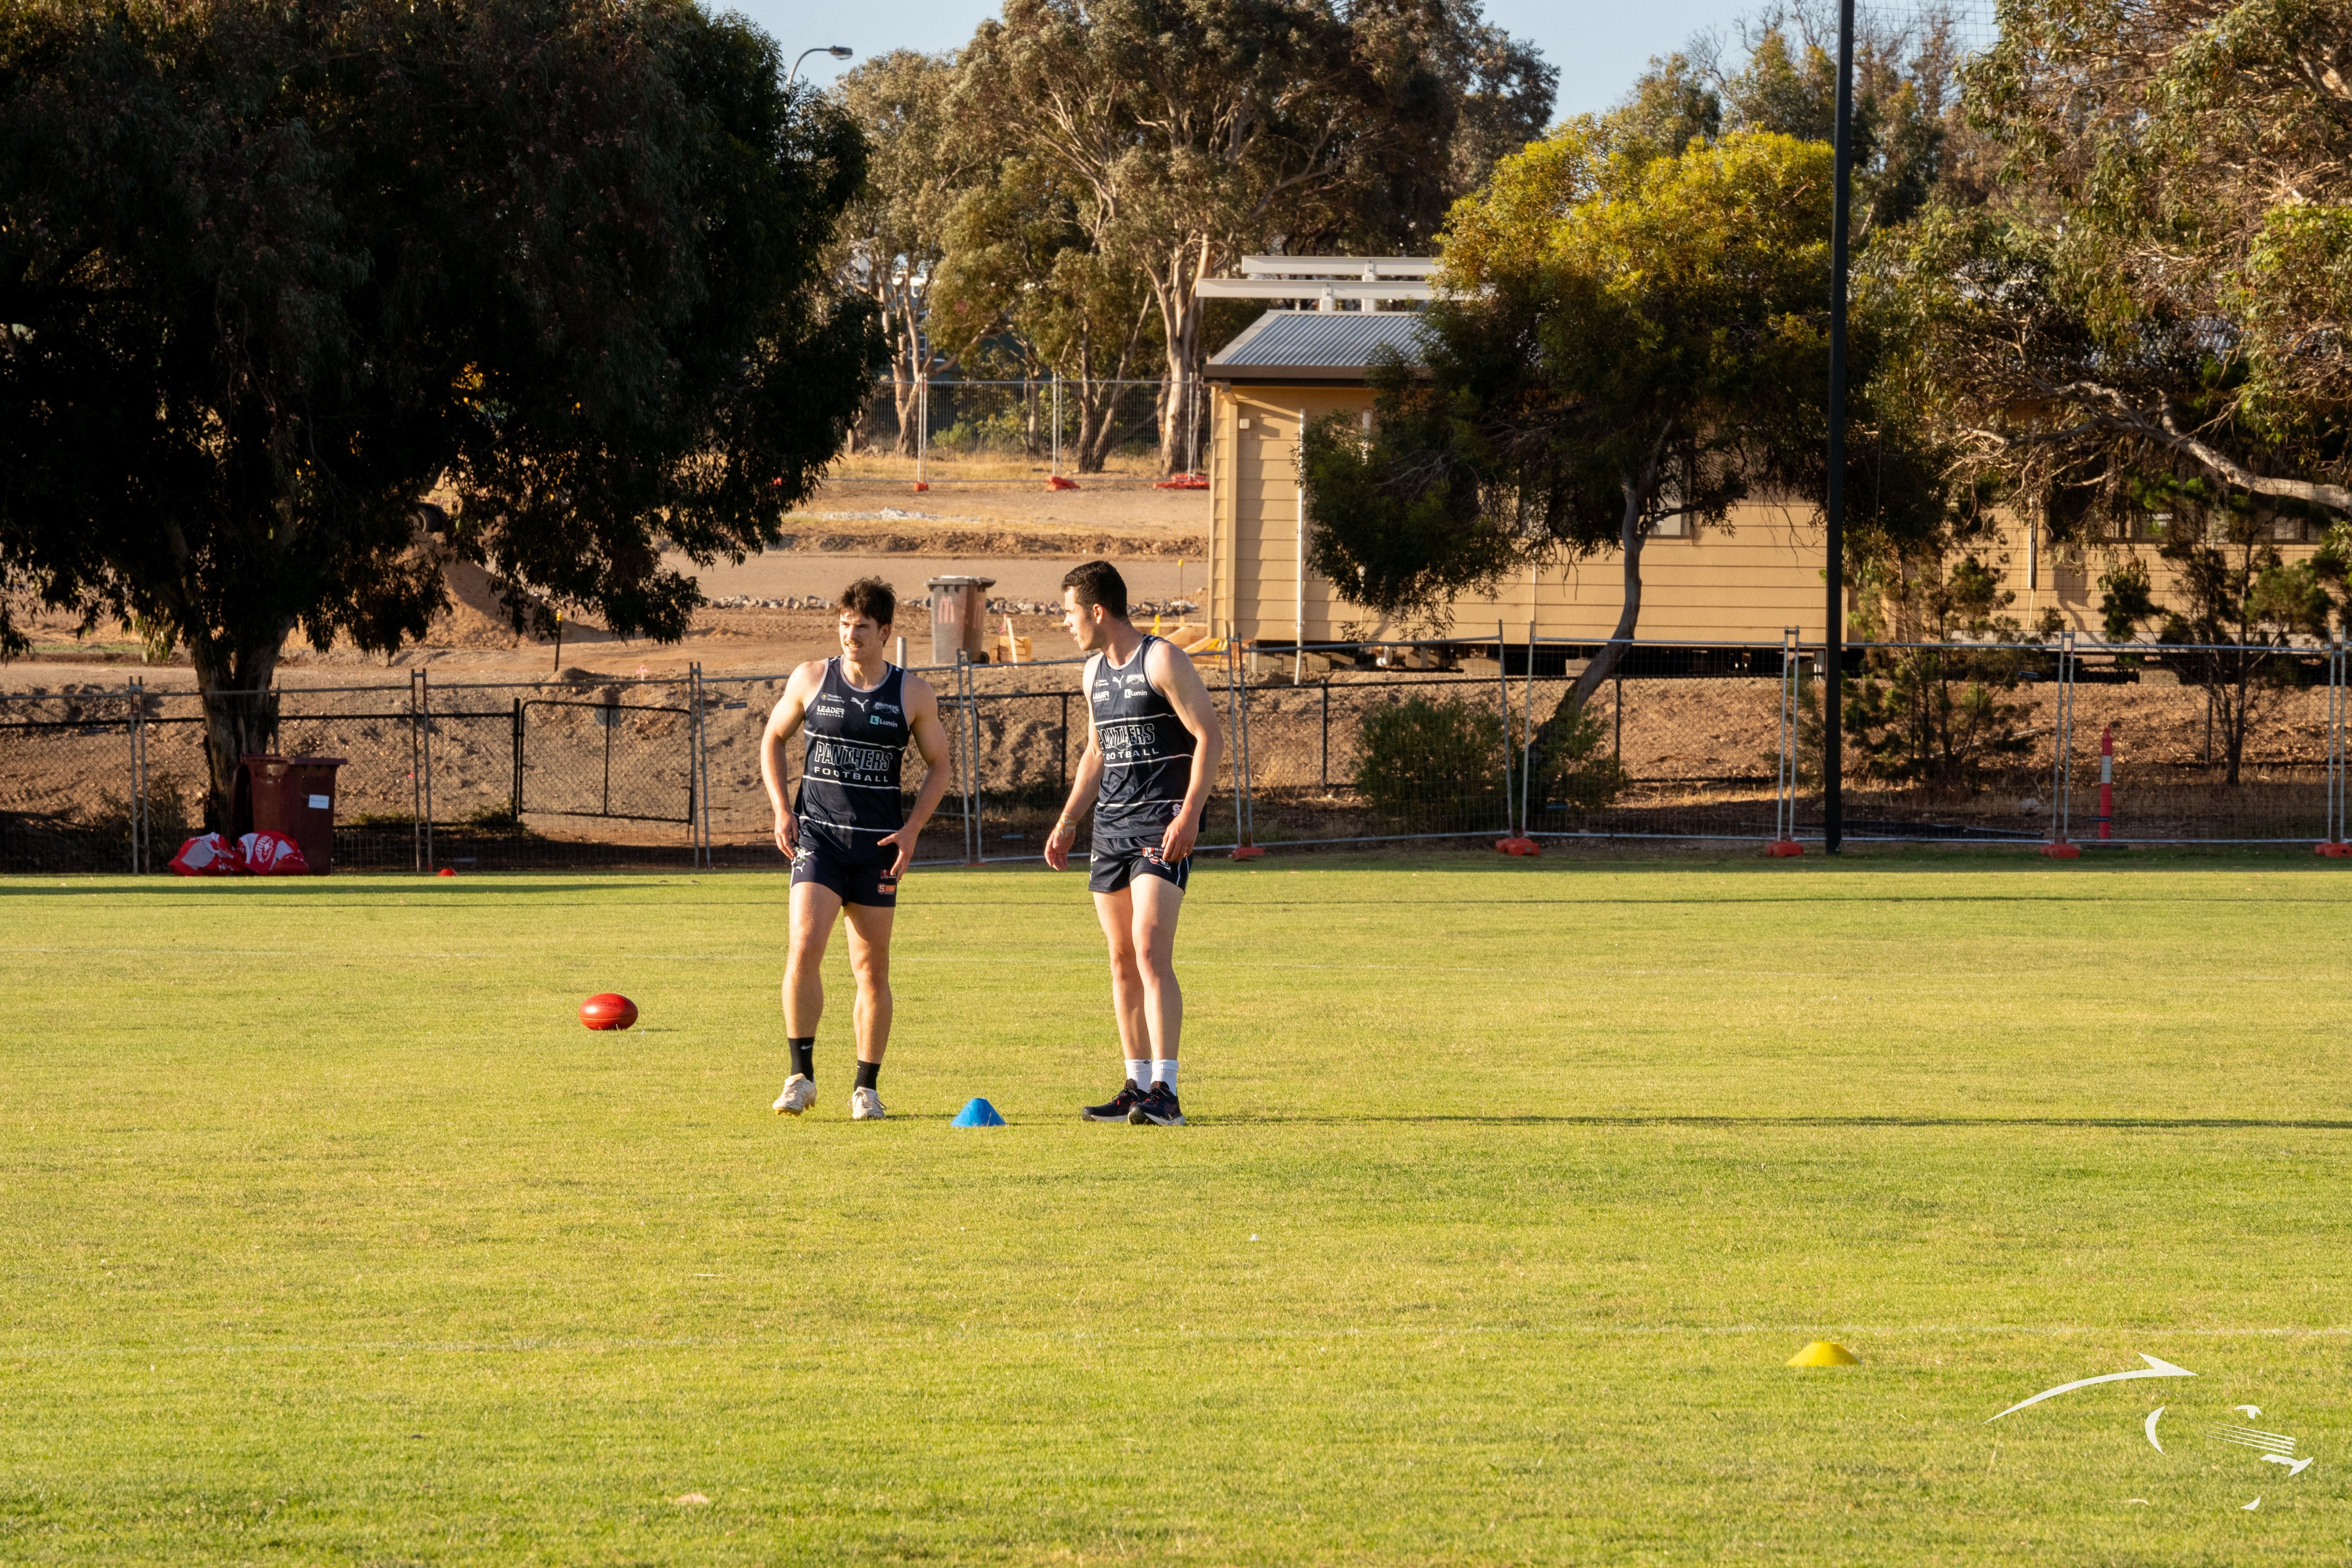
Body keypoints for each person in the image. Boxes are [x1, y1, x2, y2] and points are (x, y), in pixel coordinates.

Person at [759, 578, 951, 1120]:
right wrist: (781, 809)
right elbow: (773, 738)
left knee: (871, 970)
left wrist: (913, 828)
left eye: (862, 627)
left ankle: (866, 1088)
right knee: (803, 946)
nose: (850, 635)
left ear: (885, 631)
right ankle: (800, 1077)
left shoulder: (911, 694)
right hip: (818, 840)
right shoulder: (812, 678)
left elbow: (941, 765)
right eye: (844, 624)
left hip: (876, 850)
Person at [1045, 561, 1225, 1126]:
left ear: (1098, 611)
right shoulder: (1092, 673)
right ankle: (1135, 1083)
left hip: (1161, 827)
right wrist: (1070, 819)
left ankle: (1166, 1093)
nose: (1066, 623)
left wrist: (1191, 813)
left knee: (1149, 952)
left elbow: (1208, 736)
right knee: (1121, 960)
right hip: (1111, 831)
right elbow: (1096, 754)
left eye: (1070, 612)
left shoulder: (1163, 658)